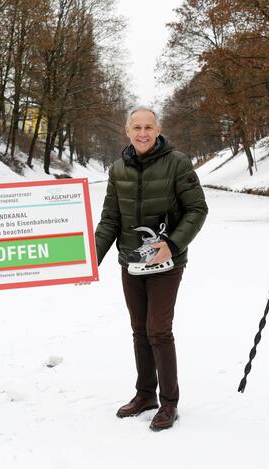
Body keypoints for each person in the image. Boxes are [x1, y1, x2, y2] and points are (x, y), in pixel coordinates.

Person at [95, 106, 208, 431]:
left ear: (158, 130)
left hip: (167, 262)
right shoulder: (118, 169)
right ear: (127, 131)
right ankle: (145, 394)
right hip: (131, 262)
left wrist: (172, 245)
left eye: (148, 127)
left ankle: (169, 401)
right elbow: (111, 220)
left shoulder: (178, 163)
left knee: (158, 329)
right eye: (136, 127)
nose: (142, 133)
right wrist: (90, 259)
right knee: (139, 329)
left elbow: (197, 209)